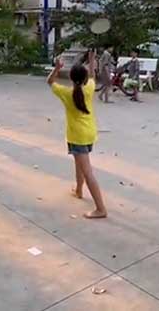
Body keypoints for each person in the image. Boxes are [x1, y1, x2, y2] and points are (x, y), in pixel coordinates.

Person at [47, 49, 107, 219]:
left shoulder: (66, 93)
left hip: (77, 136)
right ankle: (79, 190)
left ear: (71, 78)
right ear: (85, 78)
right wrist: (92, 60)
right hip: (89, 133)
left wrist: (57, 68)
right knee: (79, 162)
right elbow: (92, 76)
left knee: (88, 172)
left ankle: (101, 209)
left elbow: (50, 81)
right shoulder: (89, 88)